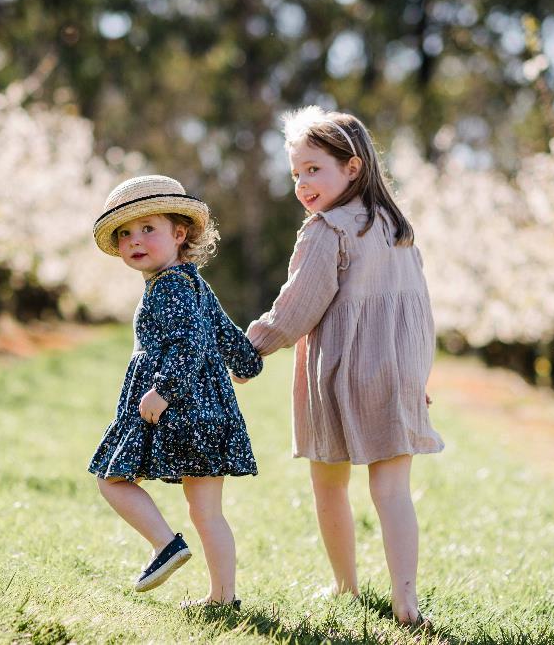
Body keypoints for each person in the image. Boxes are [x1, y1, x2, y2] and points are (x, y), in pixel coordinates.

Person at [242, 106, 443, 628]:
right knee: (393, 490)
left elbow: (296, 309)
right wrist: (416, 375)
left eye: (314, 169)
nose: (303, 184)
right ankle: (406, 601)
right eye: (296, 174)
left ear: (352, 168)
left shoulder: (325, 231)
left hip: (340, 374)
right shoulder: (397, 229)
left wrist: (253, 348)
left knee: (329, 485)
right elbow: (418, 312)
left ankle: (345, 586)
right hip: (397, 369)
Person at [88, 174, 261, 608]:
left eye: (149, 229)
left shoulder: (168, 287)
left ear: (179, 233)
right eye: (126, 233)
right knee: (207, 511)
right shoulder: (193, 283)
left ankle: (165, 546)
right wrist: (246, 363)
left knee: (112, 478)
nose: (135, 240)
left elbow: (190, 342)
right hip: (208, 411)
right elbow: (224, 334)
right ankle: (223, 599)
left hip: (177, 408)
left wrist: (162, 390)